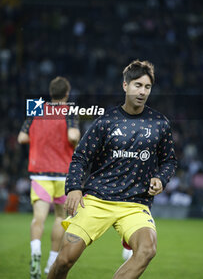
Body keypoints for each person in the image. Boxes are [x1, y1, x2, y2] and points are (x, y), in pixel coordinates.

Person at [48, 60, 178, 279]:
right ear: (125, 85)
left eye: (147, 87)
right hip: (98, 200)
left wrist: (161, 178)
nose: (142, 91)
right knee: (64, 259)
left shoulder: (159, 124)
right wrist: (74, 188)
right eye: (137, 85)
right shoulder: (106, 122)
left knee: (147, 250)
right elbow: (80, 156)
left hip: (135, 204)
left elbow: (169, 161)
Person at [18, 76, 80, 279]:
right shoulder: (69, 110)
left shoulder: (36, 107)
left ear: (51, 92)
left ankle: (35, 252)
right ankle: (51, 263)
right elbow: (72, 136)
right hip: (63, 174)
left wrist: (41, 140)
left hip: (39, 173)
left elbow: (22, 137)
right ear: (67, 94)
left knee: (38, 219)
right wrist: (76, 140)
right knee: (61, 218)